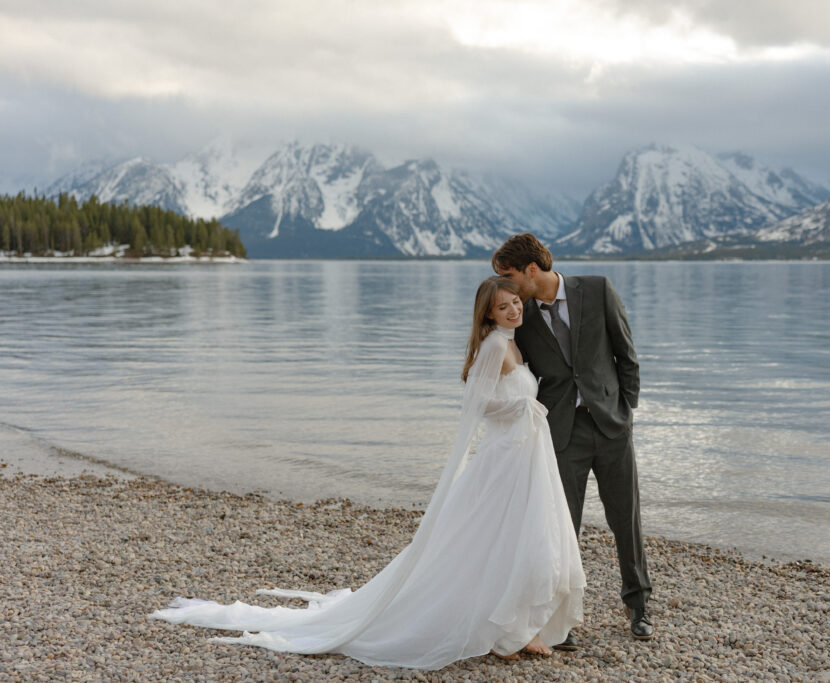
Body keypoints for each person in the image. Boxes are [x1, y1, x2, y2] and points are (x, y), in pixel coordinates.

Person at [150, 276, 585, 670]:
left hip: (521, 457)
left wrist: (527, 407)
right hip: (502, 461)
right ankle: (503, 630)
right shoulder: (493, 346)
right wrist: (521, 406)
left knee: (515, 539)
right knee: (495, 540)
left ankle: (517, 625)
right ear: (488, 312)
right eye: (504, 306)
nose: (514, 310)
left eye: (515, 302)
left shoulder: (512, 342)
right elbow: (478, 406)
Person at [492, 233, 653, 646]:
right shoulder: (520, 313)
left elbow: (626, 356)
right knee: (561, 527)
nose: (506, 287)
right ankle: (559, 620)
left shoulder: (597, 290)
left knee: (626, 519)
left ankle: (638, 605)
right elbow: (509, 363)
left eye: (509, 276)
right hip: (561, 431)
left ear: (532, 269)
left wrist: (625, 412)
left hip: (611, 425)